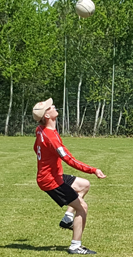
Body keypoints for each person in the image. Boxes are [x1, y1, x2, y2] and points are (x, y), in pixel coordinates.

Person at [32, 98, 106, 255]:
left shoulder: (41, 130)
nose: (54, 107)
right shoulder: (51, 138)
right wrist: (93, 170)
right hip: (50, 181)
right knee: (83, 207)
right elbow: (70, 160)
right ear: (47, 115)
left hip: (53, 175)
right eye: (51, 107)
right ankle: (75, 246)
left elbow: (37, 138)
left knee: (84, 185)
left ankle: (67, 217)